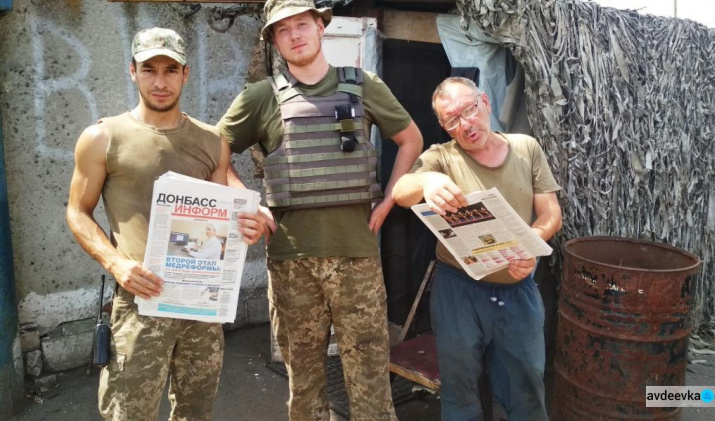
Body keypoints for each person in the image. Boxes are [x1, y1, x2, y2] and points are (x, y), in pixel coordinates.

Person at [217, 1, 423, 419]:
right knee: (306, 384)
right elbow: (212, 153)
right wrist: (247, 203)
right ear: (274, 41)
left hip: (357, 258)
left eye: (302, 25)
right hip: (293, 262)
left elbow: (411, 139)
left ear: (320, 27)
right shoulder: (261, 96)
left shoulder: (364, 85)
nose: (294, 35)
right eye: (283, 30)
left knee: (369, 379)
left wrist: (388, 200)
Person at [66, 27, 268, 420]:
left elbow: (220, 219)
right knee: (130, 413)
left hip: (201, 307)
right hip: (141, 301)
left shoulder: (213, 142)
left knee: (196, 411)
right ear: (133, 72)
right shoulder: (103, 137)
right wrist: (116, 264)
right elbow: (77, 211)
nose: (160, 81)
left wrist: (246, 229)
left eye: (170, 70)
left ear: (185, 74)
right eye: (149, 69)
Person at [392, 77, 563, 421]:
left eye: (469, 110)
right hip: (458, 288)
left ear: (484, 102)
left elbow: (551, 214)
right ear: (443, 126)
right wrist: (427, 180)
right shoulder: (441, 157)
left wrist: (530, 246)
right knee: (460, 392)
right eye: (452, 120)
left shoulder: (525, 148)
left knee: (527, 389)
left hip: (517, 289)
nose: (466, 124)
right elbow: (400, 192)